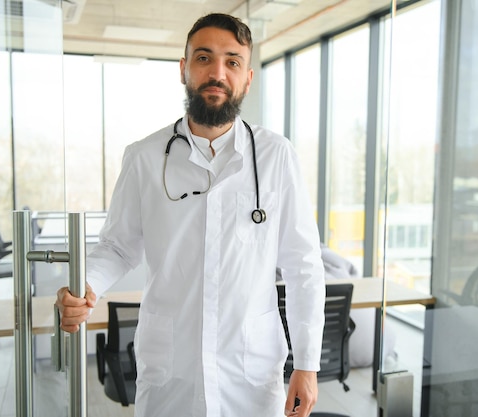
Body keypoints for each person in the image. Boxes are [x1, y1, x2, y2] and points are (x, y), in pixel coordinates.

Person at [56, 13, 325, 417]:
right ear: (184, 69)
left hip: (250, 376)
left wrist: (307, 364)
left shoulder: (276, 157)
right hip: (171, 374)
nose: (217, 72)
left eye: (232, 61)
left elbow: (303, 265)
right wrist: (84, 286)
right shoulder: (145, 157)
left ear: (248, 78)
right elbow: (118, 247)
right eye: (204, 58)